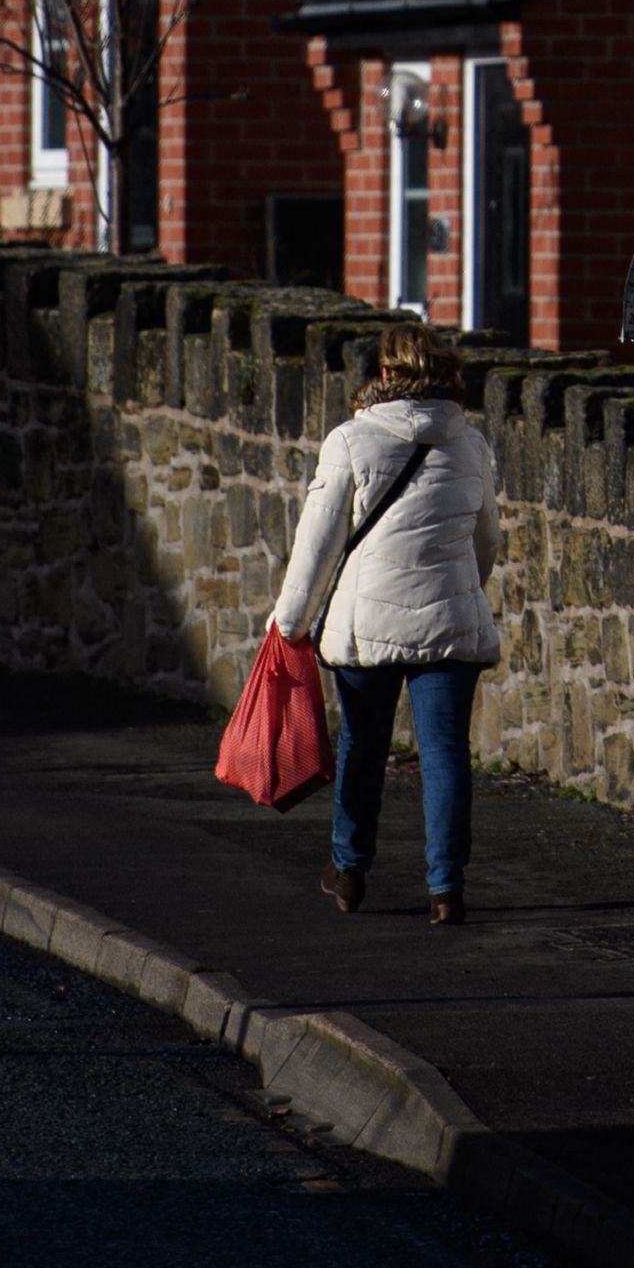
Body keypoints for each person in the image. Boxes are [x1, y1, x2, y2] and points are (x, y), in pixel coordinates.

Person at [267, 320, 505, 922]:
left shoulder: (351, 441)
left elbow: (317, 546)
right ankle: (446, 887)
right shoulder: (469, 444)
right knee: (446, 751)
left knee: (363, 745)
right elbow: (487, 543)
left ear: (387, 374)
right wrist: (459, 589)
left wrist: (288, 623)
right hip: (451, 620)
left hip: (366, 622)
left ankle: (349, 872)